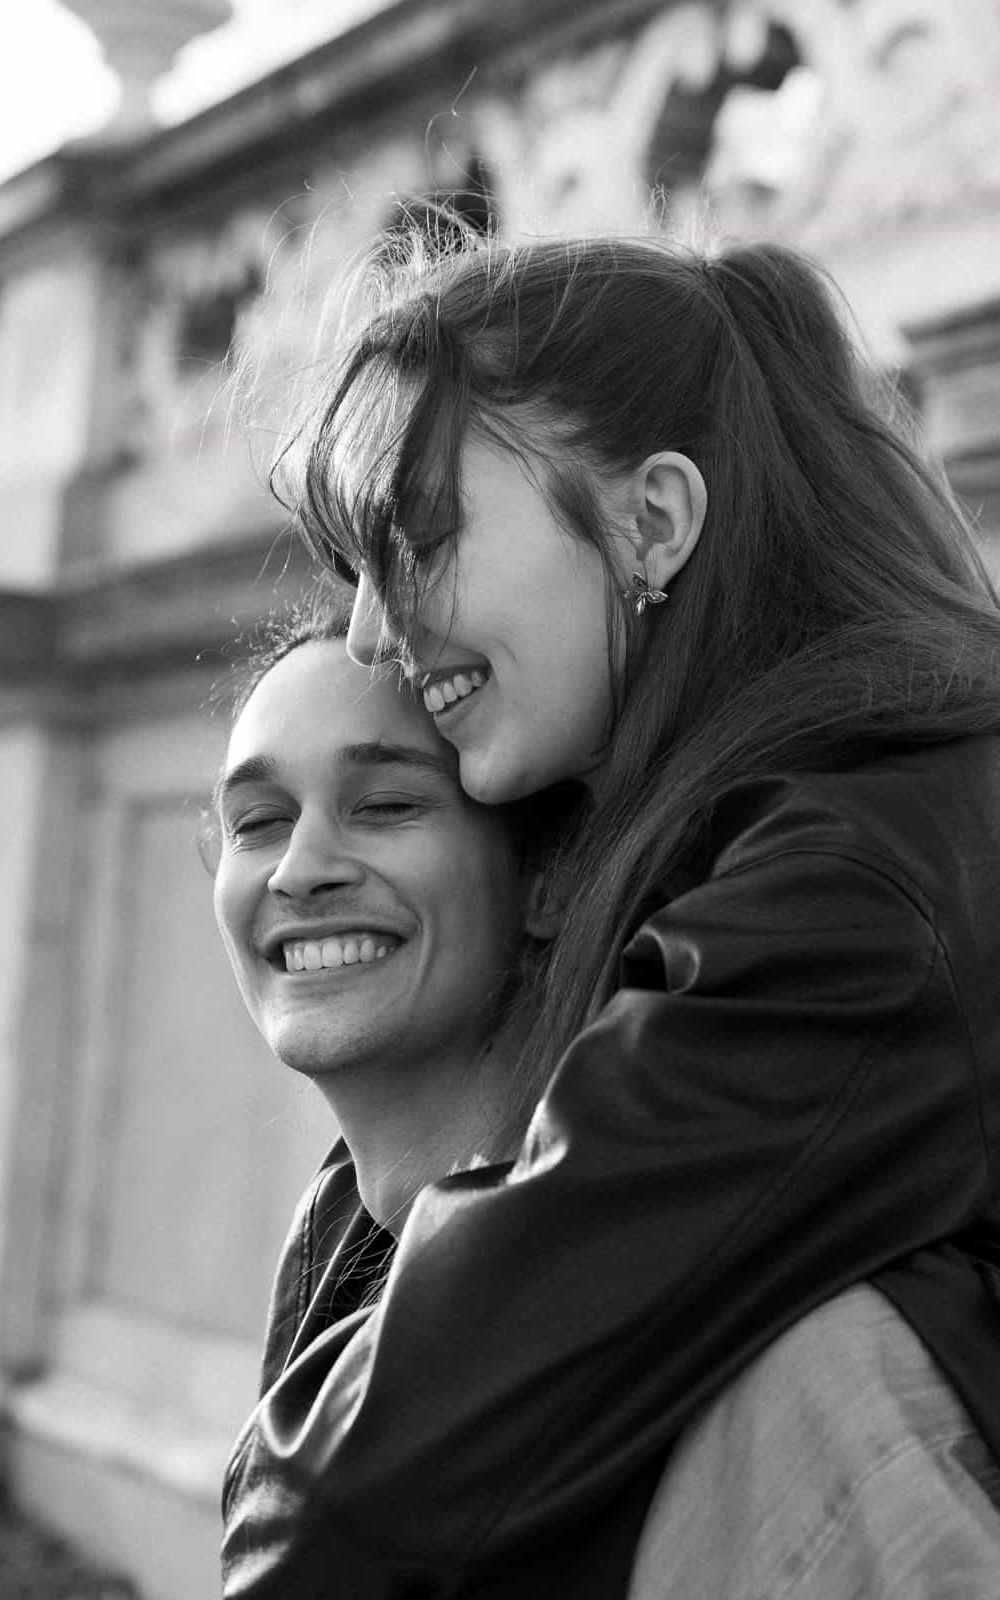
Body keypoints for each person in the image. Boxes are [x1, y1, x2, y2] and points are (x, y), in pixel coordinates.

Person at [222, 234, 1000, 1597]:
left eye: (415, 540)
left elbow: (389, 1476)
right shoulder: (813, 813)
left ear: (652, 520)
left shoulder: (856, 885)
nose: (362, 634)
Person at [210, 596, 578, 1578]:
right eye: (257, 821)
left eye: (384, 805)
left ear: (548, 875)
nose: (299, 870)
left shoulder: (652, 1296)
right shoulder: (338, 1235)